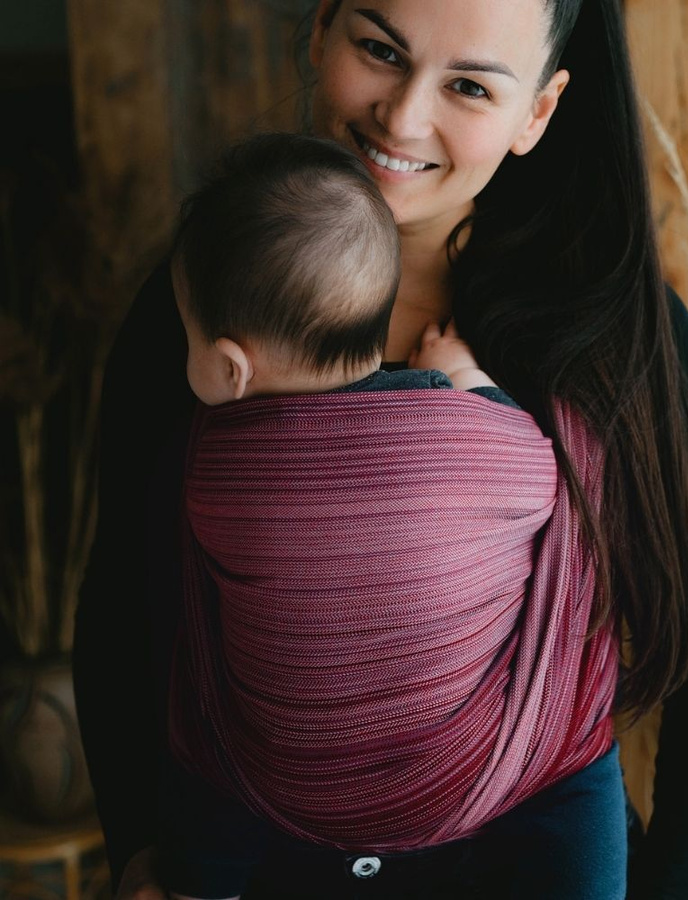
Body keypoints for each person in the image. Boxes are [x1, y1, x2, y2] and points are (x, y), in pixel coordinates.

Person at [73, 2, 688, 898]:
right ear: (321, 28)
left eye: (471, 85)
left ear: (539, 113)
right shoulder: (201, 308)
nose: (402, 119)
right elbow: (123, 608)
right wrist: (139, 845)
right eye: (378, 49)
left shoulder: (623, 346)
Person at [163, 130, 608, 900]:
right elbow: (544, 482)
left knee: (207, 752)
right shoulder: (469, 441)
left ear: (231, 367)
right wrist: (462, 379)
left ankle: (204, 886)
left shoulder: (213, 474)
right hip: (473, 772)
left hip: (284, 783)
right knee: (576, 760)